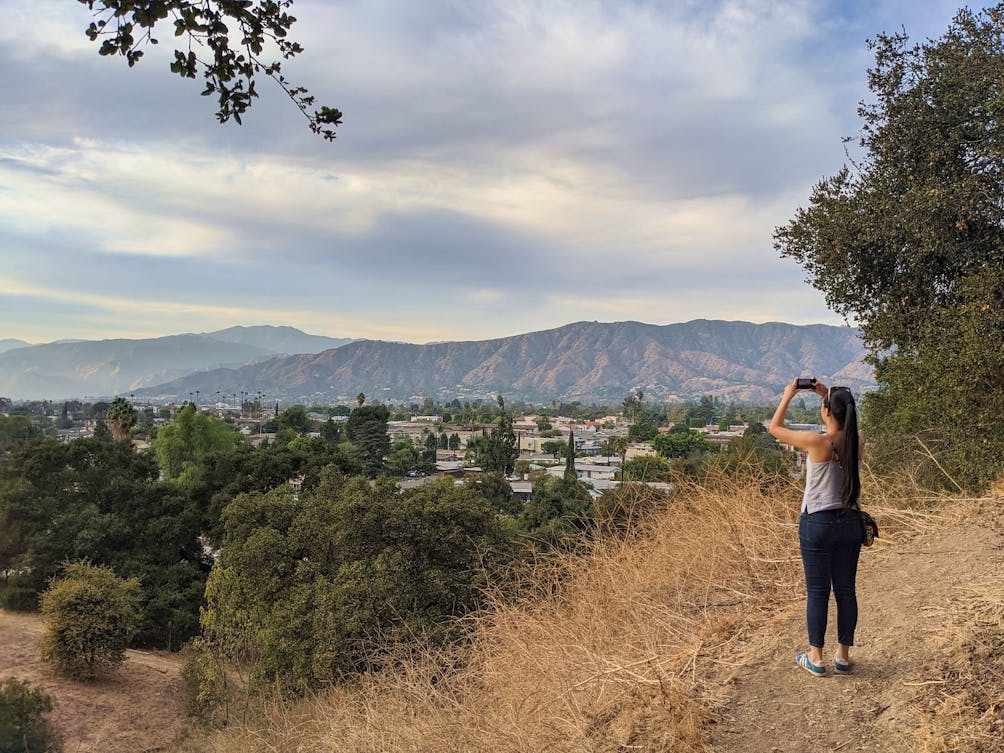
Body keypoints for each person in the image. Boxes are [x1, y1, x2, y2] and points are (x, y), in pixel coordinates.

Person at [768, 378, 864, 677]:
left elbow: (774, 428)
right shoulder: (858, 439)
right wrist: (829, 397)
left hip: (818, 523)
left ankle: (816, 658)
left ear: (826, 412)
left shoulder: (816, 442)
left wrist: (788, 395)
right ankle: (844, 657)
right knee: (846, 591)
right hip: (850, 522)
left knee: (818, 591)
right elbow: (845, 420)